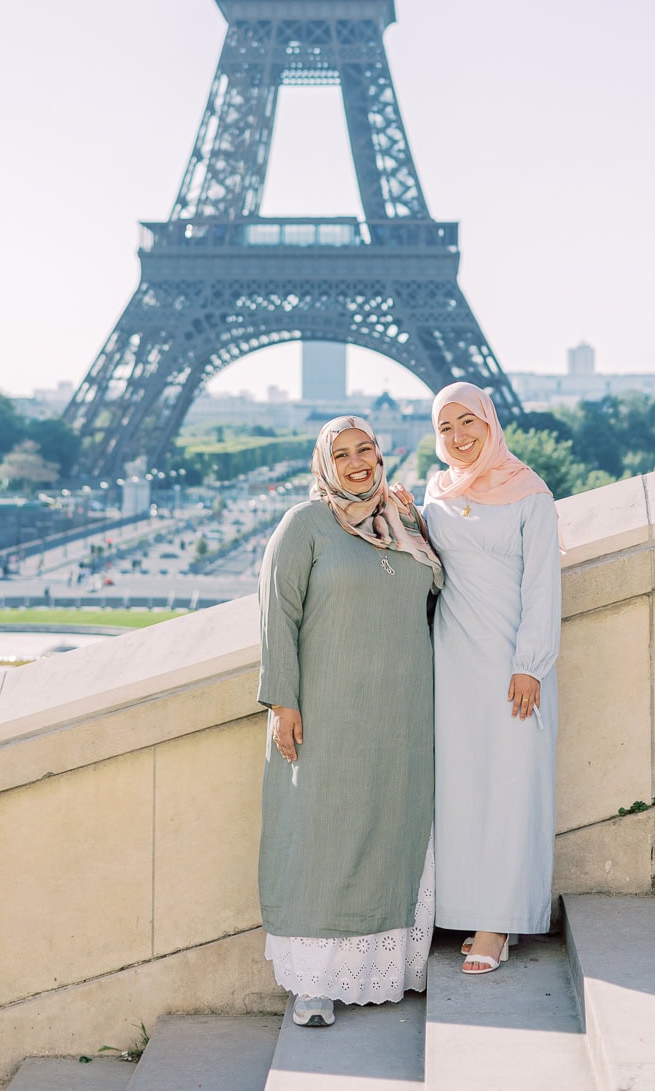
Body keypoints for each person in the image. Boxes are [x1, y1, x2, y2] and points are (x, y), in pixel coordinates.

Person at [257, 415, 443, 1027]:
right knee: (324, 834)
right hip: (328, 710)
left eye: (367, 450)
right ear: (324, 465)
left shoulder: (405, 522)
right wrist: (283, 702)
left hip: (405, 711)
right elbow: (277, 614)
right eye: (342, 455)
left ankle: (388, 967)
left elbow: (439, 600)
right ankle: (314, 983)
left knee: (393, 826)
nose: (358, 463)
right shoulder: (305, 524)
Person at [423, 381, 561, 975]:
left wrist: (530, 664)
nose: (458, 437)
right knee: (461, 788)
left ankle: (497, 923)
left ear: (490, 423)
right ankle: (469, 909)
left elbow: (543, 586)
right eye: (445, 427)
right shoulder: (436, 494)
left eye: (467, 422)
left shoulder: (531, 494)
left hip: (512, 665)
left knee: (510, 786)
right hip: (453, 663)